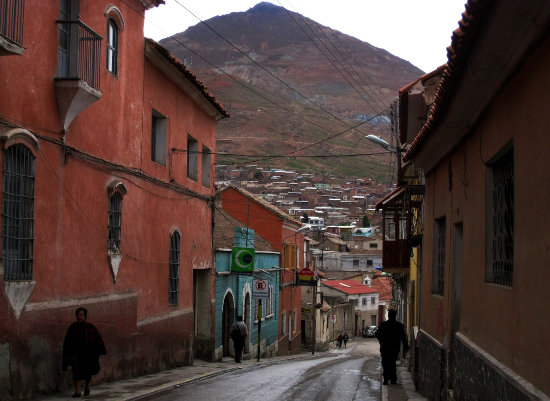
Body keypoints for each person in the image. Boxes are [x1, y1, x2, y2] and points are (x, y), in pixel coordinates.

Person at [62, 307, 107, 398]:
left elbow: (97, 340)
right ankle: (78, 391)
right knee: (76, 372)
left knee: (88, 372)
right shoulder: (72, 327)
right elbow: (67, 341)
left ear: (85, 316)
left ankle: (87, 387)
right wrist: (68, 354)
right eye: (78, 315)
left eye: (82, 315)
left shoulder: (91, 327)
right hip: (76, 354)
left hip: (88, 354)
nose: (80, 317)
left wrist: (97, 351)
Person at [375, 309, 409, 385]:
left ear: (389, 315)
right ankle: (393, 378)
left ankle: (386, 378)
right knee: (392, 362)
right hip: (395, 348)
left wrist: (381, 341)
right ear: (395, 316)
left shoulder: (383, 325)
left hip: (385, 347)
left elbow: (377, 334)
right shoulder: (399, 326)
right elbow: (403, 337)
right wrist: (406, 347)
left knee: (385, 362)